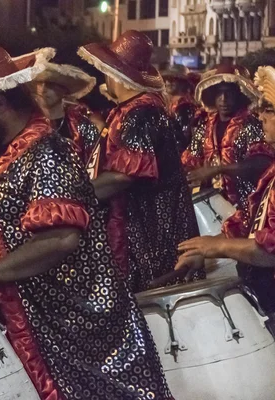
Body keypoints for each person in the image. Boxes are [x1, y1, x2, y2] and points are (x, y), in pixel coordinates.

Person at [0, 45, 172, 400]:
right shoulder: (5, 152)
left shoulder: (47, 153)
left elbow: (59, 238)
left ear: (0, 104)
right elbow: (10, 223)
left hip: (76, 326)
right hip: (38, 318)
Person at [78, 30, 203, 292]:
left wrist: (70, 195)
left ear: (114, 72)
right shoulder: (131, 110)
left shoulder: (142, 113)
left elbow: (124, 176)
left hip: (153, 237)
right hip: (147, 234)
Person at [176, 65, 275, 321]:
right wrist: (209, 248)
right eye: (218, 93)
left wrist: (219, 245)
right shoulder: (204, 127)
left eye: (270, 110)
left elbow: (269, 251)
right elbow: (251, 216)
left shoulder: (249, 127)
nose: (261, 116)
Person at [182, 64, 273, 212]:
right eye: (219, 93)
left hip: (248, 206)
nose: (223, 99)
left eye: (229, 93)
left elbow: (262, 164)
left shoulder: (252, 124)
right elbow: (189, 159)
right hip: (214, 207)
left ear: (240, 95)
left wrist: (219, 169)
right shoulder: (205, 126)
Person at [27, 55, 101, 164]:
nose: (43, 90)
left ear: (65, 90)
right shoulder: (27, 127)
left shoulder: (81, 125)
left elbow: (94, 164)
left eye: (50, 84)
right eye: (39, 84)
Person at [162, 64, 198, 152]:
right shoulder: (170, 103)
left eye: (174, 79)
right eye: (167, 79)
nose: (169, 82)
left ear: (184, 83)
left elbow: (183, 137)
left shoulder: (185, 106)